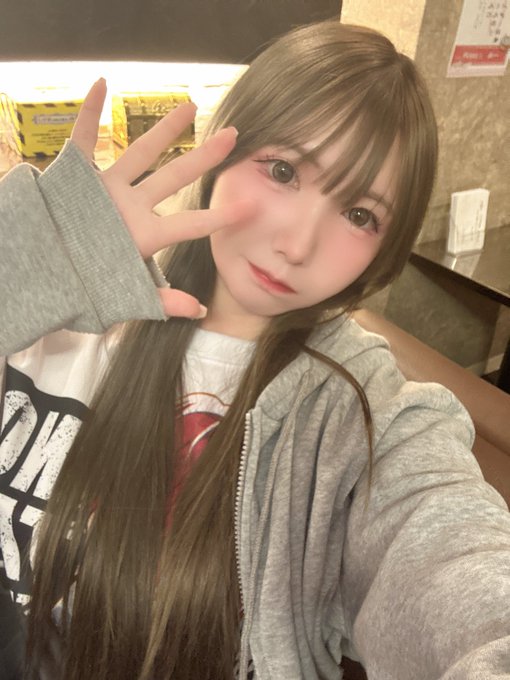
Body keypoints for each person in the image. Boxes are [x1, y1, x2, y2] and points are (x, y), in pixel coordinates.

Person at [0, 20, 509, 680]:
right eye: (283, 170)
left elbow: (460, 569)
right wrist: (25, 266)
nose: (296, 245)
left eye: (360, 215)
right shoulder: (62, 317)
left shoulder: (364, 418)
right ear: (222, 150)